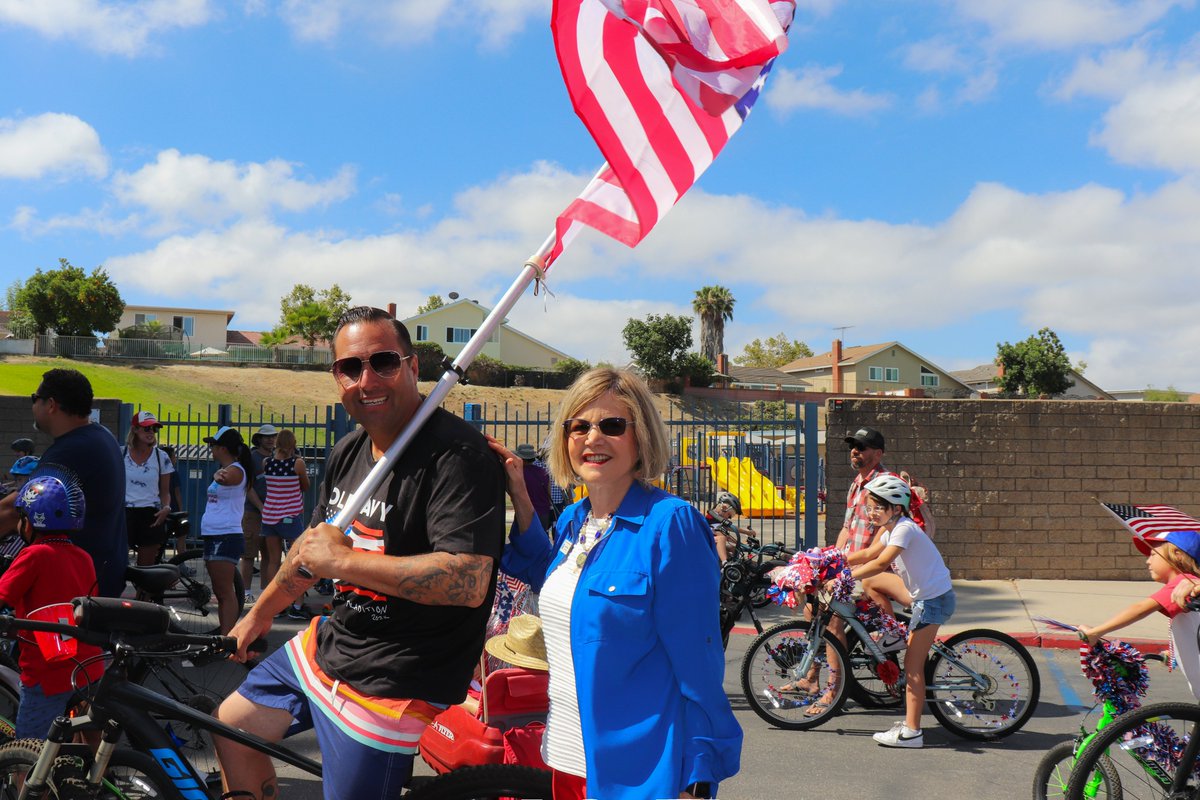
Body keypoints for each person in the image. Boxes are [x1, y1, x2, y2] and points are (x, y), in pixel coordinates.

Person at [214, 306, 505, 800]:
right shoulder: (348, 452)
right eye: (351, 367)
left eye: (384, 362)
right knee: (230, 728)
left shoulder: (459, 455)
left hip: (397, 675)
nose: (366, 379)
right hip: (330, 645)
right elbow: (310, 551)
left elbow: (468, 579)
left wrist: (344, 563)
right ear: (337, 377)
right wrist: (258, 615)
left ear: (413, 368)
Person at [487, 367, 740, 800]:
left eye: (612, 426)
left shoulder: (670, 524)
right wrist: (520, 495)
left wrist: (696, 777)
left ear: (641, 436)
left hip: (642, 771)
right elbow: (550, 580)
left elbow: (699, 664)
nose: (593, 438)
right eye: (579, 426)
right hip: (566, 758)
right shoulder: (573, 521)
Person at [843, 474, 955, 748]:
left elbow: (881, 562)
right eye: (870, 507)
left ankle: (912, 732)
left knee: (913, 667)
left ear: (896, 508)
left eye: (878, 507)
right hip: (923, 596)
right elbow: (868, 555)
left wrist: (846, 578)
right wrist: (830, 560)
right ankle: (893, 635)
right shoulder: (891, 528)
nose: (872, 513)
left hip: (933, 602)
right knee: (870, 582)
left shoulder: (904, 529)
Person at [0, 369, 126, 598]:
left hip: (75, 586)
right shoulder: (100, 435)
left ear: (50, 404)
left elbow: (15, 508)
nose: (33, 406)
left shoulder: (72, 450)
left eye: (34, 399)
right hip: (99, 572)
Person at [0, 472, 105, 739]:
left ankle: (25, 779)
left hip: (48, 675)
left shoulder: (34, 554)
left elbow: (3, 596)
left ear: (30, 522)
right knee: (88, 736)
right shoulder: (83, 557)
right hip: (88, 666)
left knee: (28, 750)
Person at [1084, 530, 1200, 699]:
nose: (1147, 561)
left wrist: (1096, 632)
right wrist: (1173, 652)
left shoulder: (1183, 582)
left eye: (1153, 554)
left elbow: (1139, 609)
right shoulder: (1189, 586)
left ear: (1177, 555)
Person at [202, 426, 254, 634]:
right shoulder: (228, 469)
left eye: (213, 446)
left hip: (224, 535)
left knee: (225, 592)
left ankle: (227, 638)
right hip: (215, 533)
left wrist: (217, 474)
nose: (211, 450)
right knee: (221, 589)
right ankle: (226, 636)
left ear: (223, 448)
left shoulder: (235, 470)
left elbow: (225, 478)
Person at [259, 428, 310, 618]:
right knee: (296, 560)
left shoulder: (267, 463)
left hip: (270, 516)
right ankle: (297, 605)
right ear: (293, 443)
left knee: (273, 561)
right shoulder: (297, 463)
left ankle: (275, 606)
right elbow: (305, 486)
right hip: (290, 516)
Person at [122, 411, 175, 566]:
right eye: (146, 428)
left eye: (154, 428)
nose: (151, 432)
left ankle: (142, 592)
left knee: (147, 570)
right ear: (135, 429)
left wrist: (166, 507)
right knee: (116, 565)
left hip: (151, 514)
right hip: (125, 513)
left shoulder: (161, 457)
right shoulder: (121, 453)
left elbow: (165, 492)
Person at [240, 424, 274, 604]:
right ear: (259, 439)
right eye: (266, 436)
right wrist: (262, 507)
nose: (270, 439)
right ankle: (245, 591)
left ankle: (263, 591)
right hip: (253, 512)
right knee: (248, 554)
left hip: (272, 513)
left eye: (273, 436)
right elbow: (248, 487)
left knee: (268, 554)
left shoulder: (277, 458)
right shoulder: (252, 458)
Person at [706, 490, 755, 563]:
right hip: (707, 543)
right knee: (722, 539)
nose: (727, 518)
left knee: (733, 549)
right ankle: (725, 564)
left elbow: (728, 529)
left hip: (712, 543)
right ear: (724, 507)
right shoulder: (711, 517)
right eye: (728, 515)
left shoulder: (717, 519)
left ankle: (737, 565)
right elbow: (723, 534)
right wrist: (742, 541)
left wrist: (746, 534)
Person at [515, 443, 552, 529]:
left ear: (521, 459)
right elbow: (548, 492)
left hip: (526, 513)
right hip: (544, 511)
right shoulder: (543, 472)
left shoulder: (519, 473)